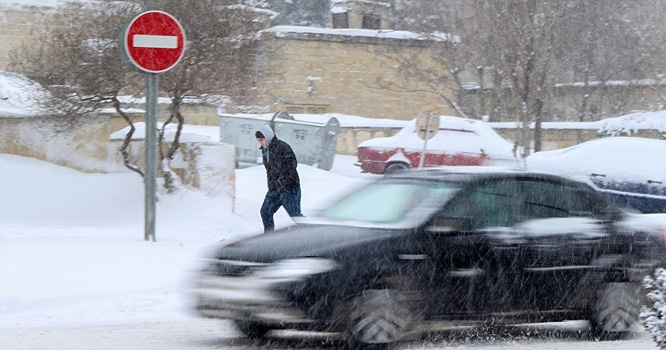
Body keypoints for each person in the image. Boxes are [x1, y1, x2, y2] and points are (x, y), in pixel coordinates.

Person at [255, 124, 303, 232]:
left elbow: (291, 164)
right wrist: (272, 185)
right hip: (275, 190)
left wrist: (282, 182)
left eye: (262, 139)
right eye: (259, 140)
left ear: (267, 137)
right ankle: (269, 238)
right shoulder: (265, 151)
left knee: (296, 217)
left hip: (289, 190)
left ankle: (314, 235)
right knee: (265, 212)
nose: (260, 143)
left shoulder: (282, 147)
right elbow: (270, 170)